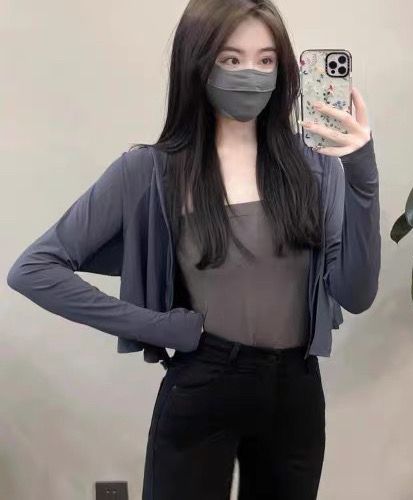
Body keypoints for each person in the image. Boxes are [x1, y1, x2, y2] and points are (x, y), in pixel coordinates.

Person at [6, 0, 380, 499]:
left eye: (266, 60)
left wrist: (362, 173)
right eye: (232, 59)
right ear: (198, 63)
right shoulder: (151, 170)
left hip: (296, 393)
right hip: (205, 384)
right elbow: (34, 269)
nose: (251, 74)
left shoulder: (315, 166)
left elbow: (356, 294)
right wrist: (159, 327)